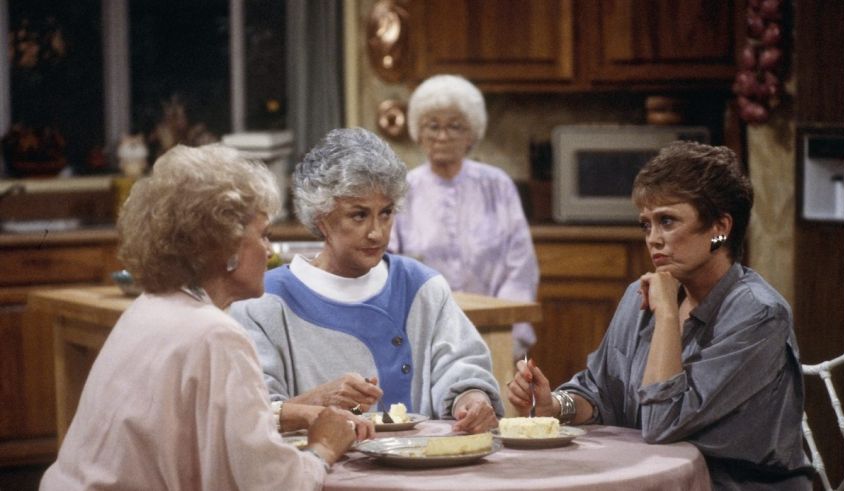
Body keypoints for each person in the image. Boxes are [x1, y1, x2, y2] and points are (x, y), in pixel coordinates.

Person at [40, 144, 373, 490]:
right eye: (263, 235)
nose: (270, 252)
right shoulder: (214, 333)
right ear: (226, 246)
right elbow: (269, 484)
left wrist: (286, 415)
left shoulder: (152, 306)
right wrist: (324, 448)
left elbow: (193, 424)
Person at [507, 141, 812, 490]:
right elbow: (600, 391)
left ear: (719, 229)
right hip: (654, 477)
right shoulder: (642, 297)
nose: (653, 239)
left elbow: (661, 423)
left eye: (667, 221)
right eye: (646, 225)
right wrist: (555, 406)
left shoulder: (758, 315)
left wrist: (667, 317)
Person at [230, 127, 503, 434]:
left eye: (385, 213)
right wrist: (317, 401)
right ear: (321, 217)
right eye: (359, 215)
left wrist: (473, 400)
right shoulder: (264, 301)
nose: (377, 232)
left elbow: (462, 369)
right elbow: (253, 417)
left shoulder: (420, 286)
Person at [388, 74, 540, 361]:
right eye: (433, 126)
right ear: (418, 133)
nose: (442, 136)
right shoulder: (402, 190)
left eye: (454, 126)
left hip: (494, 332)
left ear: (472, 133)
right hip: (422, 336)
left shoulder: (497, 185)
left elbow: (520, 267)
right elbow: (390, 265)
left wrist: (507, 329)